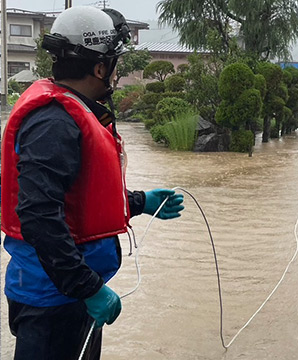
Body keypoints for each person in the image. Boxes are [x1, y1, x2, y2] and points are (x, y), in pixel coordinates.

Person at [1, 6, 184, 360]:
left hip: (67, 294)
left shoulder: (70, 112)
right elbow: (38, 214)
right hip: (52, 301)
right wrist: (87, 288)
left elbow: (77, 200)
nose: (115, 76)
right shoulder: (54, 124)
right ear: (100, 68)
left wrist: (139, 202)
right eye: (114, 65)